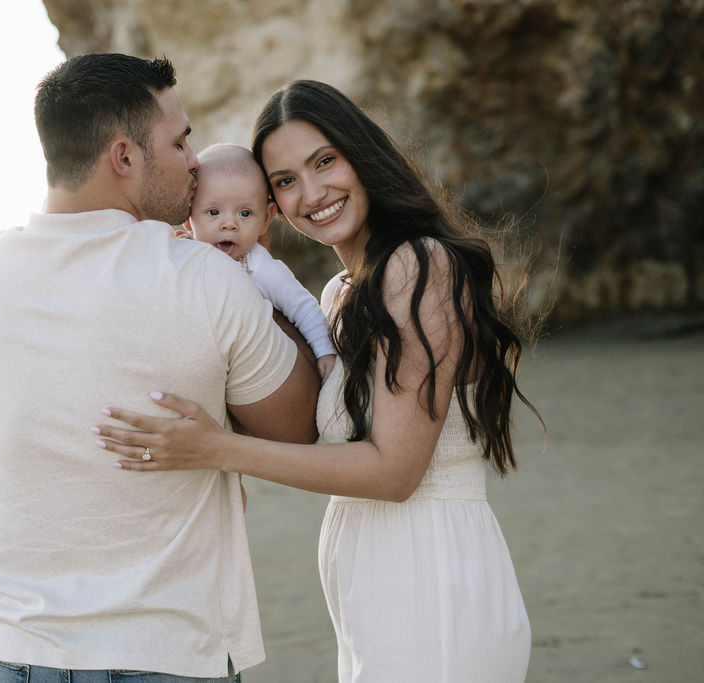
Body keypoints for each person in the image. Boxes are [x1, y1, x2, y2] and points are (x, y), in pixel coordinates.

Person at [93, 80, 540, 682]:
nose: (313, 193)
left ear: (362, 153)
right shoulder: (337, 295)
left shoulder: (419, 265)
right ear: (270, 204)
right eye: (284, 181)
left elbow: (394, 472)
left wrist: (214, 451)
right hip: (374, 584)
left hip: (431, 578)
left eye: (324, 161)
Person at [0, 54, 320, 683]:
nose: (195, 160)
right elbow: (299, 427)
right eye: (179, 141)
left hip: (11, 655)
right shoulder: (206, 280)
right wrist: (258, 273)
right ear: (123, 158)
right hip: (163, 654)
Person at [184, 143, 337, 380]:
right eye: (213, 212)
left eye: (245, 213)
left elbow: (303, 307)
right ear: (188, 219)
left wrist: (325, 351)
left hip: (253, 374)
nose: (229, 224)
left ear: (266, 219)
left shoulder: (259, 267)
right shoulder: (185, 255)